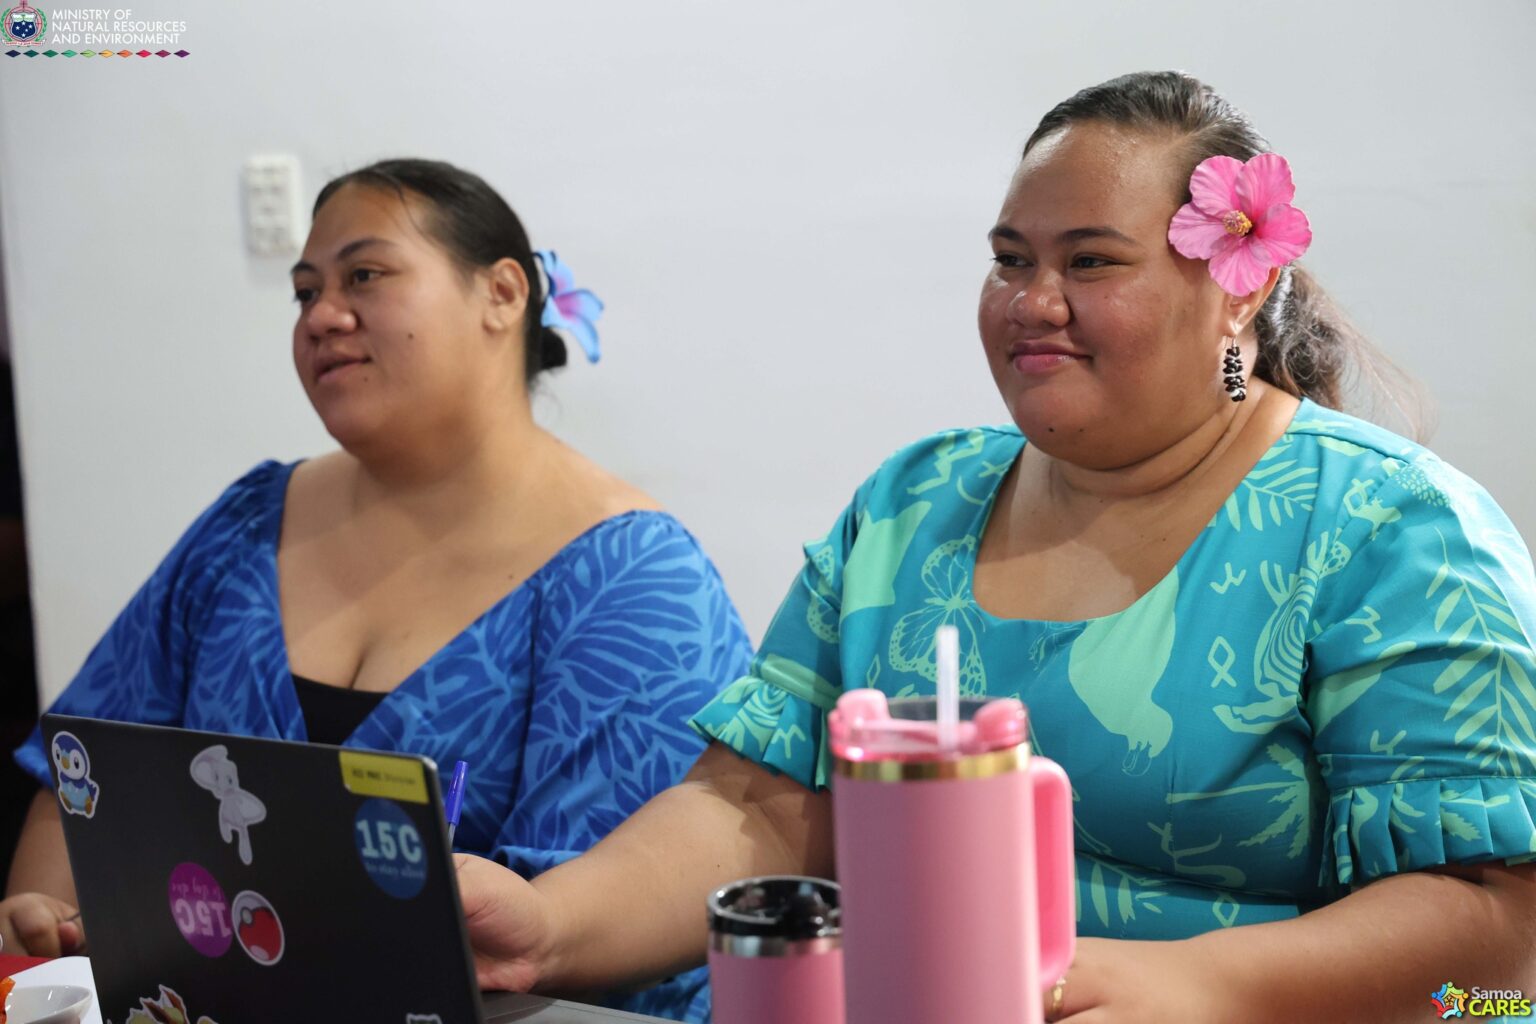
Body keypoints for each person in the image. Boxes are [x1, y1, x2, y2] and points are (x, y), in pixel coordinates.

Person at [449, 73, 1536, 1022]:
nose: (1033, 302)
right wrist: (545, 924)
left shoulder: (1393, 530)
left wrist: (1210, 987)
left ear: (1238, 288)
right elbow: (757, 809)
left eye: (1091, 261)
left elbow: (1502, 955)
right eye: (1011, 260)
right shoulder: (914, 506)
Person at [3, 159, 751, 1022]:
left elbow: (583, 944)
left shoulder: (632, 581)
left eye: (364, 275)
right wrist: (39, 952)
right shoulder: (246, 524)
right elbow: (80, 777)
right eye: (304, 292)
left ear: (502, 294)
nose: (322, 315)